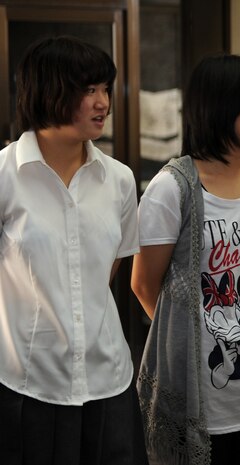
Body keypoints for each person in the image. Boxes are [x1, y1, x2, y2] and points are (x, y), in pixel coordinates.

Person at [132, 54, 240, 465]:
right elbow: (143, 285)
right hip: (199, 390)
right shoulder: (171, 189)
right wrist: (197, 338)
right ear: (222, 108)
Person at [0, 36, 146, 464]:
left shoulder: (118, 179)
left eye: (105, 89)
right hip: (29, 382)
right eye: (88, 91)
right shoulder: (6, 175)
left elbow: (104, 275)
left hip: (109, 379)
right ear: (49, 91)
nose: (103, 102)